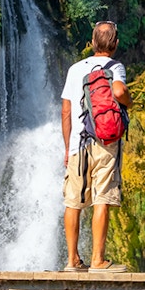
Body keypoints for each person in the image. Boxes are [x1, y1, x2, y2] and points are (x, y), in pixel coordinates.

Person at [61, 21, 132, 272]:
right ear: (115, 44)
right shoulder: (116, 67)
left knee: (74, 201)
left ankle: (72, 261)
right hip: (105, 142)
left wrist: (67, 147)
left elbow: (67, 110)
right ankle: (98, 260)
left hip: (78, 143)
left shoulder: (75, 69)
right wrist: (128, 101)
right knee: (102, 197)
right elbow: (119, 89)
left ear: (92, 43)